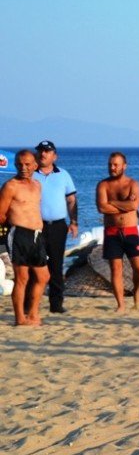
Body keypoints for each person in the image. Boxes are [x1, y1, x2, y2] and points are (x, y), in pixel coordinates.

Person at [0, 150, 51, 326]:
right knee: (22, 278)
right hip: (19, 234)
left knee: (43, 276)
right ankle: (20, 318)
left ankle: (33, 314)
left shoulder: (37, 185)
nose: (23, 167)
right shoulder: (10, 186)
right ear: (15, 165)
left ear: (35, 165)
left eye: (27, 164)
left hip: (37, 235)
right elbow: (1, 214)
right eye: (20, 164)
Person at [96, 152, 139, 312]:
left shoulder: (133, 184)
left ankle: (136, 292)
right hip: (111, 232)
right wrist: (124, 204)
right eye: (110, 164)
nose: (112, 167)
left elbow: (134, 206)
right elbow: (101, 208)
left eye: (116, 165)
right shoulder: (103, 185)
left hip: (130, 231)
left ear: (124, 166)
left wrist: (112, 202)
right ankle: (121, 305)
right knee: (116, 269)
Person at [31, 140, 77, 314]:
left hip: (58, 226)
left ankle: (56, 305)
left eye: (47, 151)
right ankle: (30, 304)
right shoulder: (30, 175)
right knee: (34, 264)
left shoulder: (63, 174)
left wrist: (74, 222)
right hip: (35, 227)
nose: (43, 154)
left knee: (56, 266)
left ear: (54, 155)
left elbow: (71, 200)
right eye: (40, 151)